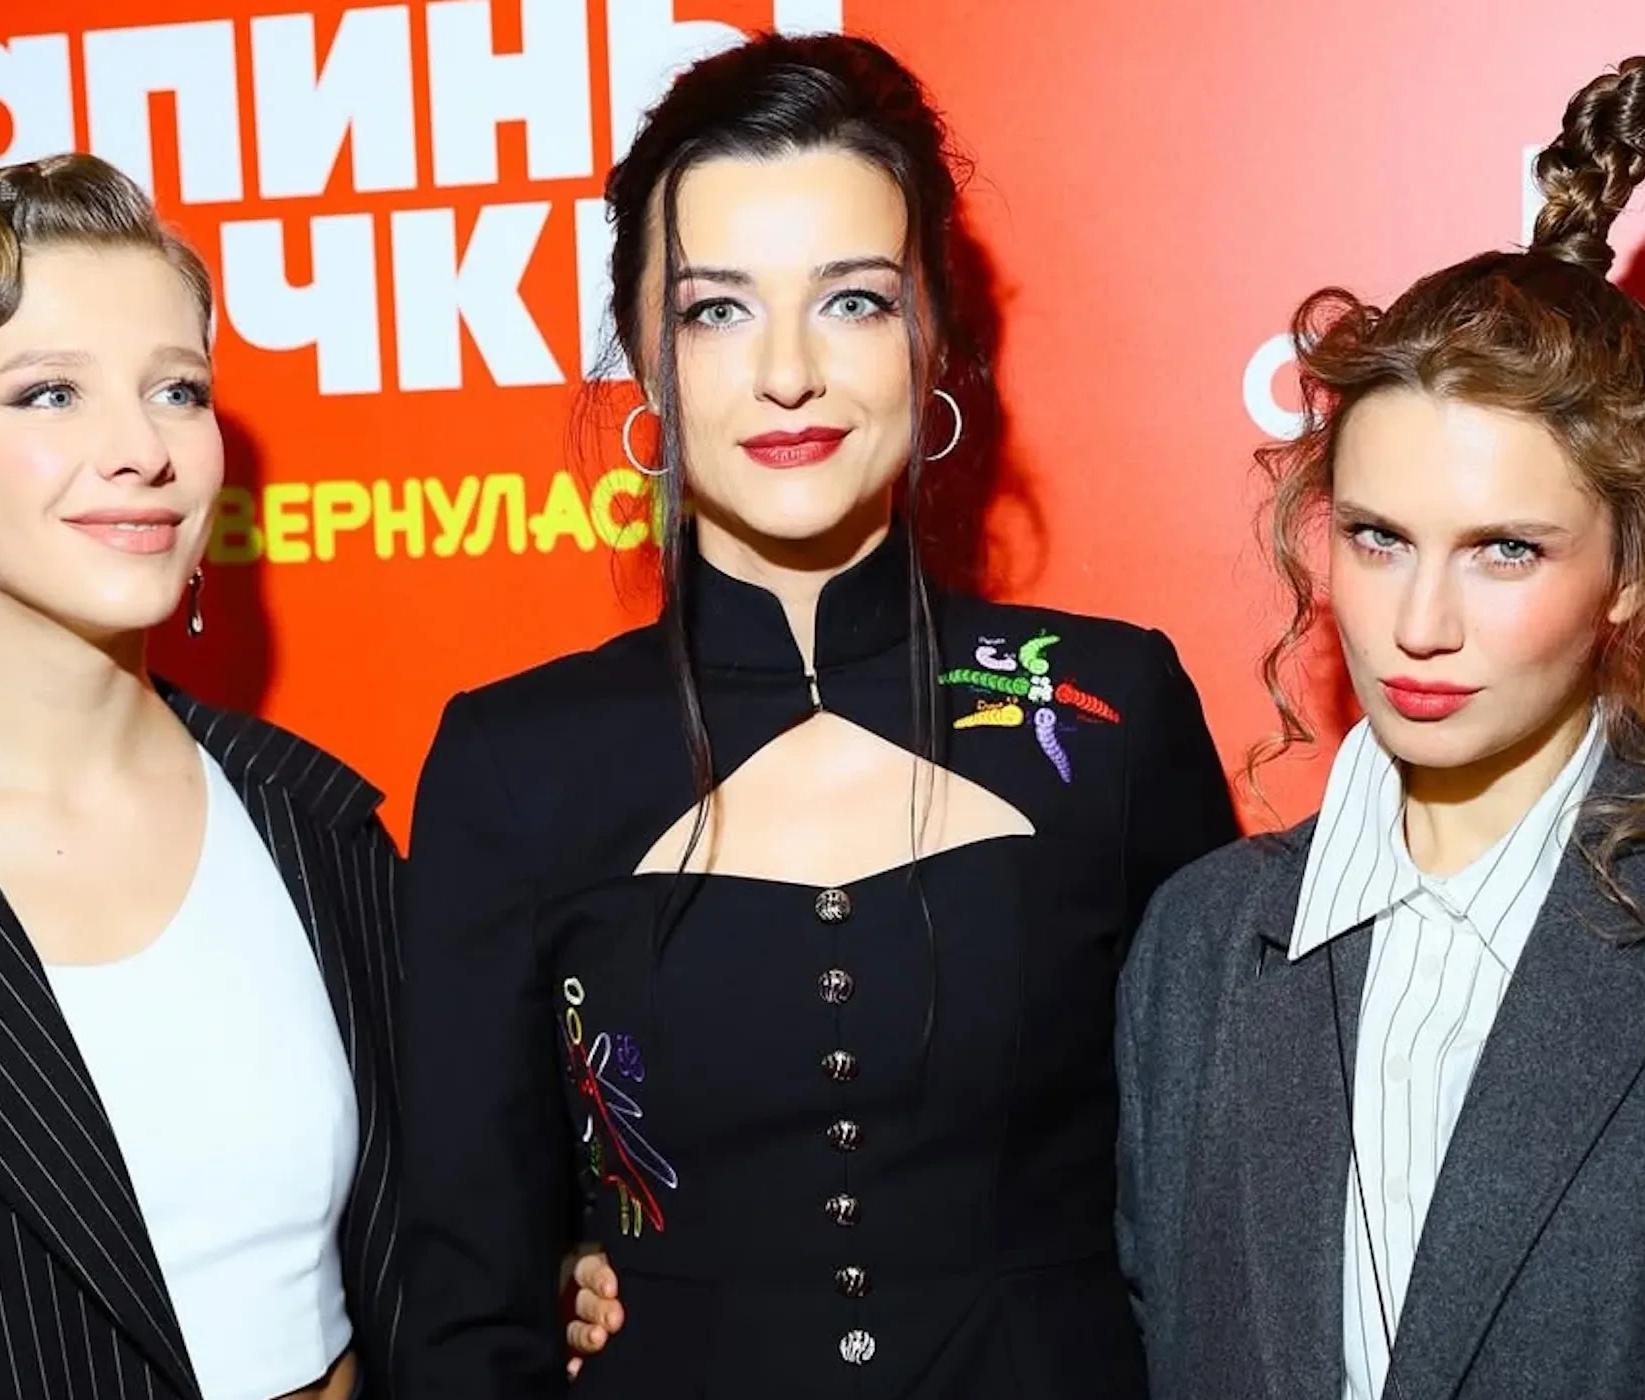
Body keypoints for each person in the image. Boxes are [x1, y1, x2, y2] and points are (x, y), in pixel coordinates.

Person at [398, 31, 1238, 1400]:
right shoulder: (515, 765)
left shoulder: (1108, 713)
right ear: (644, 359)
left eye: (850, 300)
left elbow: (1229, 1210)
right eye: (715, 311)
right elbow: (466, 1313)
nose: (786, 373)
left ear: (932, 333)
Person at [1114, 56, 1645, 1399]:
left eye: (1505, 549)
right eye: (1378, 538)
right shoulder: (1198, 944)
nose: (1418, 623)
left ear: (1628, 574)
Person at [0, 154, 402, 1400]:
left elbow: (432, 1252)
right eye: (50, 393)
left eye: (176, 389)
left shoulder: (320, 823)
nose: (143, 449)